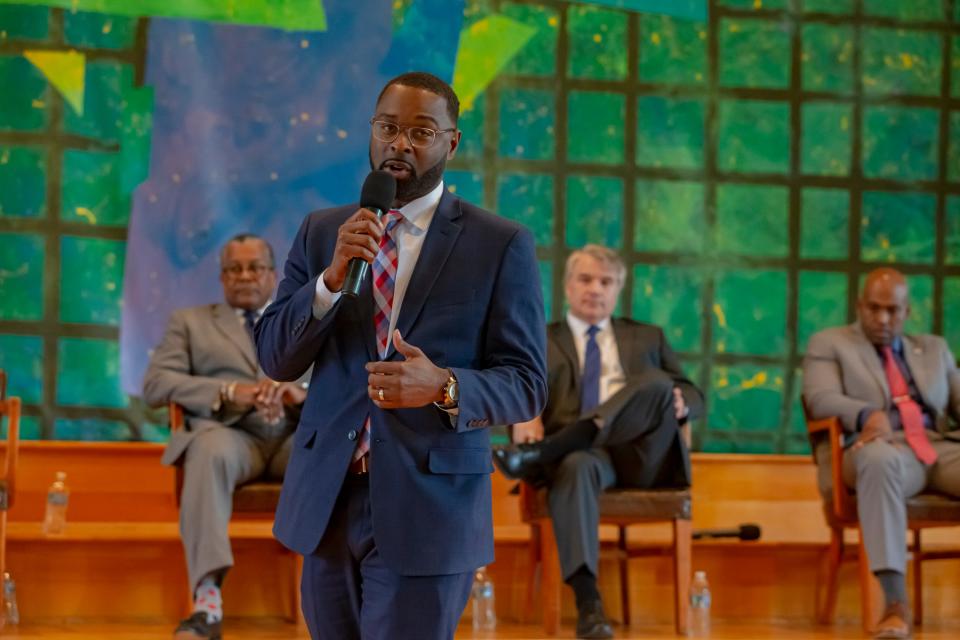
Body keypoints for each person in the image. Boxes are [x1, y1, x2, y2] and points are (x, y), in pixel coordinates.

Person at [254, 71, 547, 640]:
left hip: (429, 506)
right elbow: (275, 357)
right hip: (328, 501)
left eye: (420, 131)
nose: (400, 144)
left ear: (450, 142)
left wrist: (445, 386)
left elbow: (527, 382)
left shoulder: (499, 243)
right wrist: (328, 283)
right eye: (388, 128)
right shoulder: (323, 233)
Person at [492, 244, 704, 639]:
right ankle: (589, 603)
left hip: (642, 456)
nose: (595, 289)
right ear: (568, 287)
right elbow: (517, 387)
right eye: (585, 279)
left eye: (606, 281)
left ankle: (547, 451)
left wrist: (681, 401)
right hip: (588, 462)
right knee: (575, 466)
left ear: (617, 289)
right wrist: (526, 416)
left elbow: (696, 396)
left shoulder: (647, 337)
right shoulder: (541, 338)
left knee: (658, 385)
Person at [143, 234, 306, 640]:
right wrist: (229, 392)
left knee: (334, 450)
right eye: (234, 269)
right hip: (231, 436)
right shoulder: (191, 322)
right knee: (207, 448)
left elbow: (341, 380)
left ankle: (342, 587)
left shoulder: (304, 318)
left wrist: (299, 393)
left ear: (273, 275)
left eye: (255, 268)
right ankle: (207, 599)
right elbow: (156, 384)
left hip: (293, 433)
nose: (245, 276)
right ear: (221, 277)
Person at [804, 267, 960, 639]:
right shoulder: (830, 343)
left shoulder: (934, 348)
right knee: (878, 459)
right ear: (860, 306)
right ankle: (894, 604)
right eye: (874, 308)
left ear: (907, 312)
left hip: (937, 448)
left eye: (892, 310)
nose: (883, 319)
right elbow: (819, 398)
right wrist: (867, 413)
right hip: (874, 448)